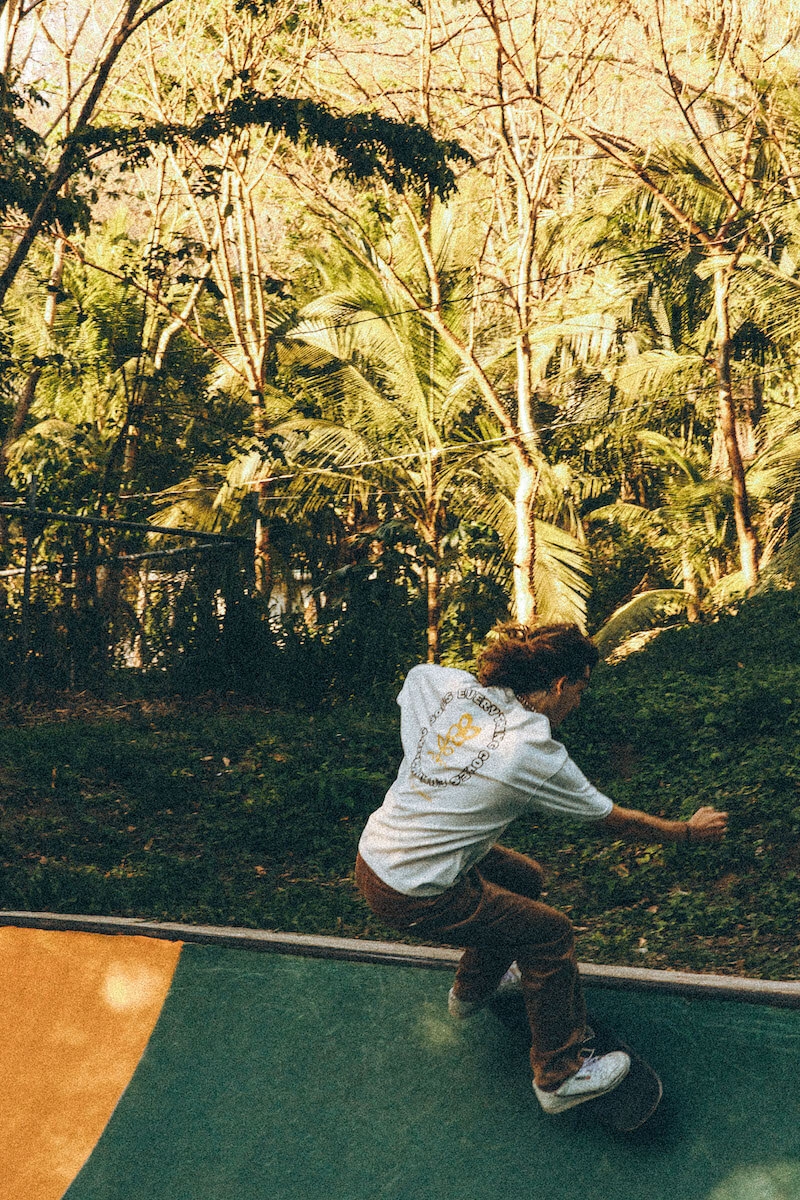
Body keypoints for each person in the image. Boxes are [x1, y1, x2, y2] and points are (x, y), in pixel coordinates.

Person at [355, 622, 728, 1114]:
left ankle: (472, 991)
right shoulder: (531, 751)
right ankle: (559, 1076)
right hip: (414, 889)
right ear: (558, 685)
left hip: (375, 851)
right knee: (549, 934)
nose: (578, 701)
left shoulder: (450, 688)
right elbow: (609, 820)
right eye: (580, 688)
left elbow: (416, 678)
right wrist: (685, 832)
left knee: (524, 880)